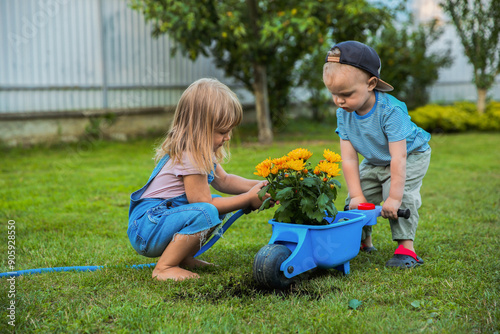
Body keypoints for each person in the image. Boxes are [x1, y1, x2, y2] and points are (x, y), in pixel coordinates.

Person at [128, 78, 270, 281]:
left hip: (157, 222)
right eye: (222, 131)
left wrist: (260, 187)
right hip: (148, 226)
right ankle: (164, 268)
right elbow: (204, 205)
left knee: (214, 208)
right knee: (209, 210)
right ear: (199, 129)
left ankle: (183, 257)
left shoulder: (199, 151)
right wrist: (248, 198)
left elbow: (226, 180)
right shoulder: (190, 155)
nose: (228, 137)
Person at [323, 41, 432, 268]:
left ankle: (406, 248)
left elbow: (399, 158)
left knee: (401, 195)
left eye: (346, 94)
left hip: (410, 155)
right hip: (375, 159)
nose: (339, 100)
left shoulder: (391, 111)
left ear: (371, 83)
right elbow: (350, 158)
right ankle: (362, 241)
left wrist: (392, 199)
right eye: (333, 94)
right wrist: (356, 196)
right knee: (355, 199)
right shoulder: (343, 113)